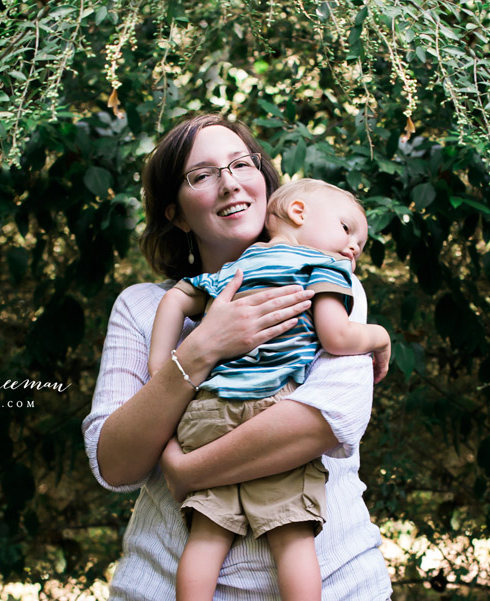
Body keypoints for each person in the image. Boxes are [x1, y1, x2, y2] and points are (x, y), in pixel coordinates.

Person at [82, 113, 393, 600]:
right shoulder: (140, 307)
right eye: (201, 175)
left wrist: (186, 470)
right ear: (177, 214)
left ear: (266, 181)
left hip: (338, 581)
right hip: (161, 583)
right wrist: (199, 352)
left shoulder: (330, 280)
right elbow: (117, 464)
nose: (229, 184)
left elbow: (326, 420)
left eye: (241, 164)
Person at [147, 178, 391, 600]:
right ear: (298, 213)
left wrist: (163, 372)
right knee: (292, 537)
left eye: (360, 245)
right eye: (349, 229)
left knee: (206, 538)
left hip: (208, 410)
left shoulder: (237, 270)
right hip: (272, 408)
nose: (354, 248)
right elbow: (335, 337)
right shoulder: (324, 269)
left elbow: (174, 300)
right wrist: (379, 336)